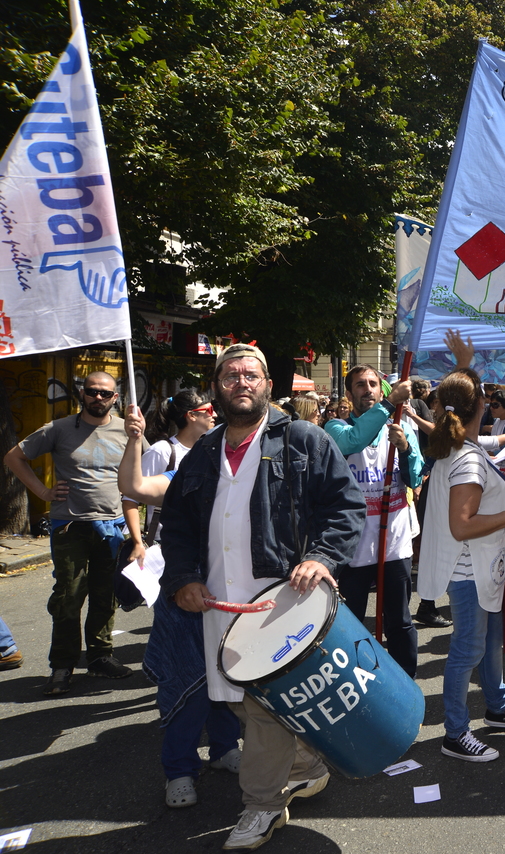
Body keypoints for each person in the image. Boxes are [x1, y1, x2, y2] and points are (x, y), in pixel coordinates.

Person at [159, 343, 365, 850]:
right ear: (216, 387)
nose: (241, 383)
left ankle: (263, 806)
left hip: (281, 601)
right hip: (219, 604)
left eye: (250, 374)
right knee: (239, 703)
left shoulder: (303, 438)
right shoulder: (203, 451)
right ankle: (307, 766)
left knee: (264, 709)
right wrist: (182, 577)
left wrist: (322, 557)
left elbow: (345, 506)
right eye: (230, 375)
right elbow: (178, 524)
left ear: (269, 385)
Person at [418, 367, 505, 762]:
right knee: (467, 650)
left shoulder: (459, 446)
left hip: (480, 567)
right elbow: (462, 525)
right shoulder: (468, 459)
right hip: (469, 570)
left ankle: (497, 706)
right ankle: (455, 733)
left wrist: (464, 363)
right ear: (481, 405)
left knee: (490, 642)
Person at [119, 406, 241, 809]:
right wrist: (134, 439)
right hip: (185, 592)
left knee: (229, 677)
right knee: (188, 681)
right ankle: (179, 770)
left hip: (234, 594)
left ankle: (224, 748)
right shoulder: (186, 475)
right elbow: (135, 486)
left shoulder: (253, 477)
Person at [4, 371, 139, 697]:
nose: (98, 397)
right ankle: (62, 665)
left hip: (113, 526)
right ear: (82, 393)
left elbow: (143, 472)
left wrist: (137, 438)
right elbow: (13, 457)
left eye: (105, 393)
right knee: (68, 597)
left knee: (106, 595)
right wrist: (43, 491)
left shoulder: (127, 430)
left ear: (115, 397)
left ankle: (100, 657)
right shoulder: (59, 428)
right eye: (92, 391)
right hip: (70, 526)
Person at [324, 365, 424, 677]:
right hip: (352, 546)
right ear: (349, 393)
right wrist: (389, 404)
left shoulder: (401, 429)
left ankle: (405, 683)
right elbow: (351, 442)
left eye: (373, 384)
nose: (367, 389)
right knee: (351, 623)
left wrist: (405, 449)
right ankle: (359, 684)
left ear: (381, 390)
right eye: (360, 385)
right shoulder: (335, 427)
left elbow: (415, 479)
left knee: (400, 621)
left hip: (393, 541)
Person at [128, 390, 216, 542]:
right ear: (192, 415)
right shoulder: (162, 451)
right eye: (209, 410)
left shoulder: (209, 451)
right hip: (165, 543)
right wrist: (137, 543)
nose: (214, 414)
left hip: (199, 541)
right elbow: (130, 498)